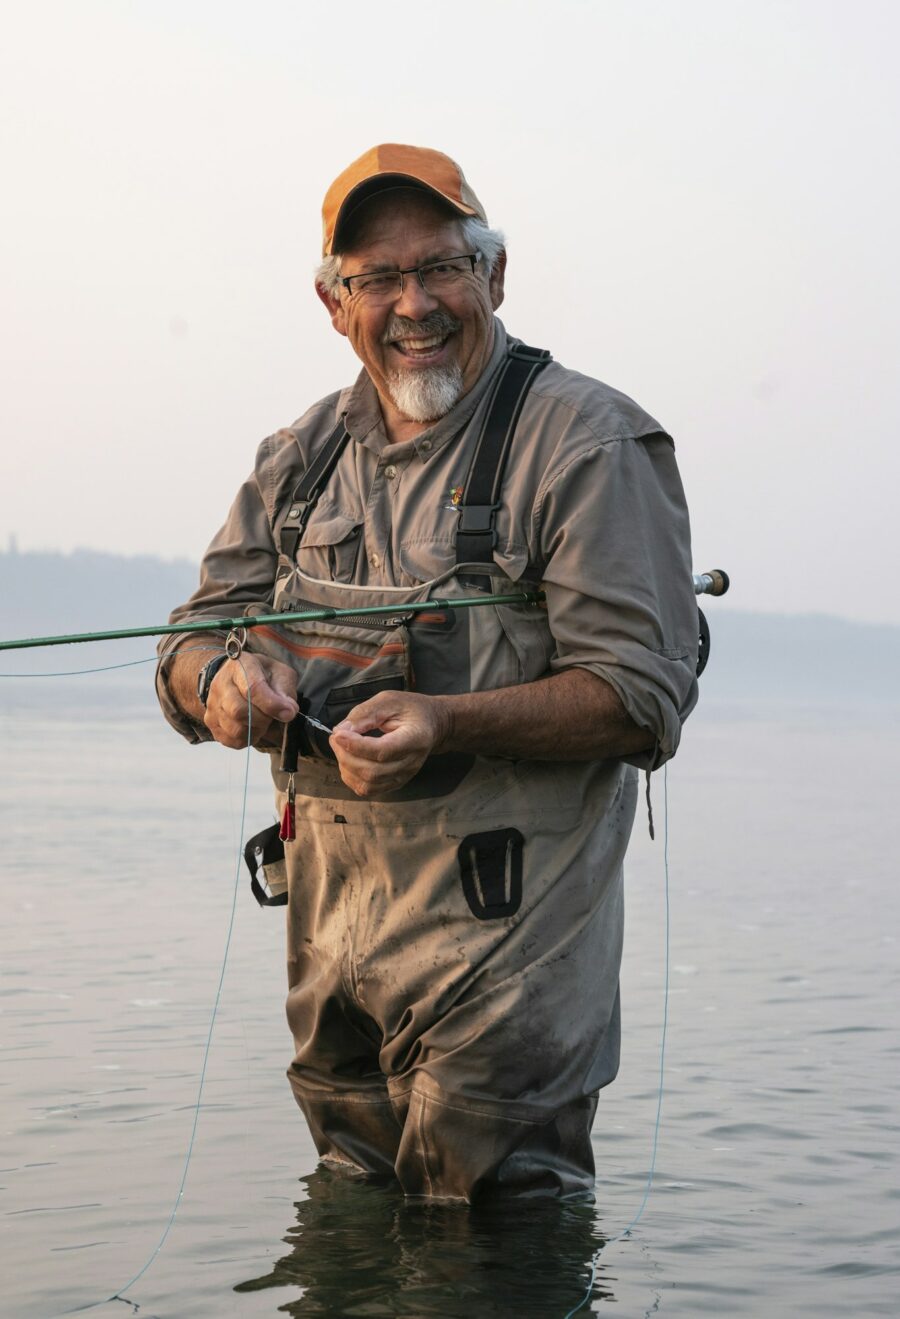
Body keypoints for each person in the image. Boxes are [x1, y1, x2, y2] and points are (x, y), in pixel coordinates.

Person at [157, 143, 699, 1203]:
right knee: (346, 1235)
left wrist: (445, 721)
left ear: (496, 275)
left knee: (488, 1249)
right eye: (377, 278)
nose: (415, 302)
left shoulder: (589, 441)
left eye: (443, 266)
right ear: (332, 302)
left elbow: (640, 693)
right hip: (331, 948)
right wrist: (218, 684)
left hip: (512, 966)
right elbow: (190, 638)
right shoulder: (297, 456)